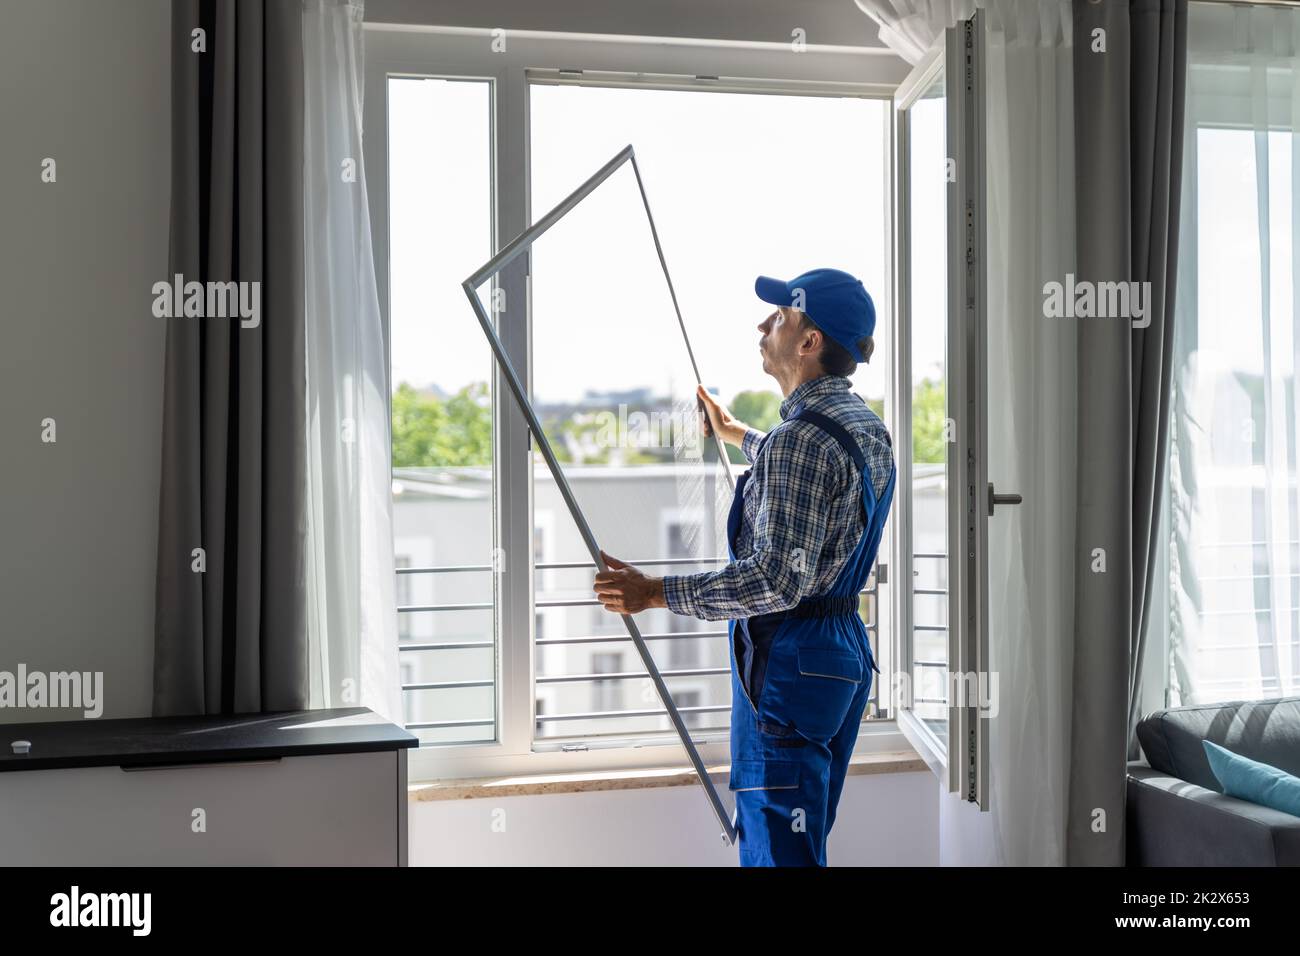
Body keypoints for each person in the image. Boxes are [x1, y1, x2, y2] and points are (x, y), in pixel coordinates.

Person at [592, 267, 896, 866]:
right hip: (838, 656)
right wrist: (737, 434)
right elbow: (810, 475)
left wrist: (653, 591)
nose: (765, 323)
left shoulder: (798, 442)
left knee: (775, 853)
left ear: (809, 342)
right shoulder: (863, 426)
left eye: (781, 315)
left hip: (788, 661)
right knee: (800, 845)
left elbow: (774, 580)